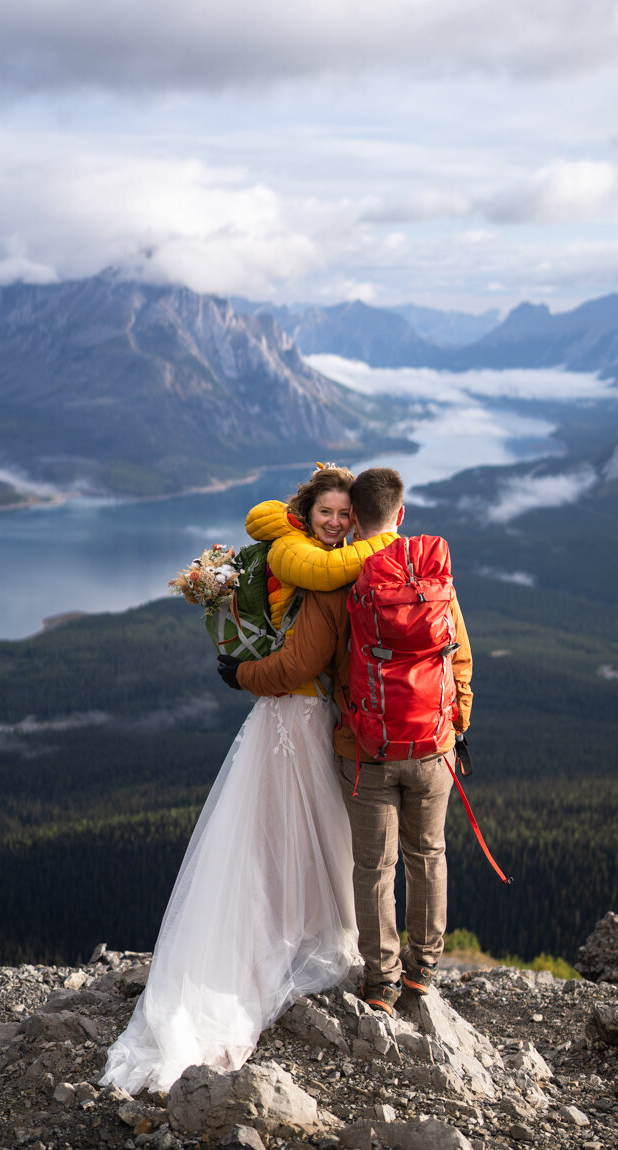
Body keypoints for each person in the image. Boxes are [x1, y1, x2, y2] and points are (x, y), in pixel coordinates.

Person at [100, 465, 398, 1094]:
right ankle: (290, 937)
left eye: (347, 514)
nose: (339, 522)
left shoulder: (324, 555)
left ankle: (301, 929)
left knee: (300, 828)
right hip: (299, 713)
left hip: (306, 714)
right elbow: (302, 652)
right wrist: (390, 537)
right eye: (329, 513)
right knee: (288, 830)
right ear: (307, 512)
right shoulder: (305, 560)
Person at [226, 467, 473, 1018]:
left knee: (374, 867)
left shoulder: (339, 583)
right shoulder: (432, 574)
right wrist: (456, 727)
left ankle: (380, 983)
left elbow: (300, 664)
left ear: (354, 520)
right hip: (433, 748)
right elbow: (459, 654)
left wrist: (242, 675)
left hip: (365, 752)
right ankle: (424, 973)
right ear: (400, 516)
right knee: (428, 854)